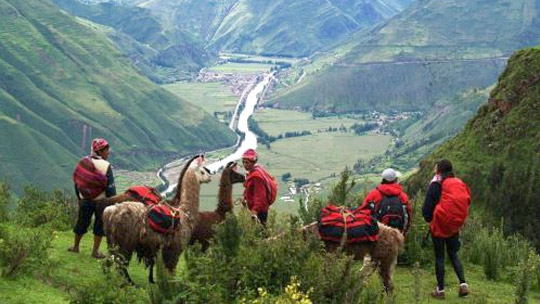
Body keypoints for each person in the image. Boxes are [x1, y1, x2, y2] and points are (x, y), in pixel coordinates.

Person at [423, 159, 470, 299]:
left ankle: (440, 290)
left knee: (439, 257)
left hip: (439, 224)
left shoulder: (436, 184)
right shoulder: (459, 183)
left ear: (439, 170)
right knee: (453, 254)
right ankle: (463, 284)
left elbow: (426, 209)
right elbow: (467, 201)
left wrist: (429, 218)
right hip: (454, 225)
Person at [69, 138, 116, 258]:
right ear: (100, 152)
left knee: (81, 223)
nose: (108, 153)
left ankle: (75, 246)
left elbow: (77, 181)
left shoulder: (83, 162)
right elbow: (110, 188)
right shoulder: (106, 166)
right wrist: (112, 202)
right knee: (99, 226)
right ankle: (95, 251)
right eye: (106, 151)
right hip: (101, 201)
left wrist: (79, 198)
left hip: (85, 199)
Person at [361, 168, 412, 234]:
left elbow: (364, 212)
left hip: (377, 235)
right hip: (398, 235)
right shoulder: (403, 196)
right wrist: (403, 233)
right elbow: (409, 216)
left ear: (383, 180)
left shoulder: (373, 195)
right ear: (395, 180)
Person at [241, 149, 277, 225]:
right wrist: (244, 197)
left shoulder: (256, 176)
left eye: (247, 162)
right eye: (243, 162)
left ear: (253, 162)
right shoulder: (254, 171)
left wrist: (254, 211)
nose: (244, 165)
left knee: (260, 231)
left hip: (260, 210)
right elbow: (250, 188)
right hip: (258, 208)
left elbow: (260, 196)